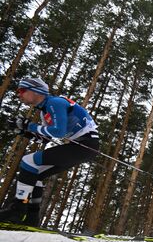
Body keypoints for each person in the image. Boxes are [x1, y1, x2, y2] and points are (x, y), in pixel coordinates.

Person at [0, 77, 100, 226]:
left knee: (28, 161)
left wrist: (29, 126)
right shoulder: (44, 111)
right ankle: (32, 217)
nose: (19, 95)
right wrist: (24, 132)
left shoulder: (54, 102)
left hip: (85, 145)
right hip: (82, 146)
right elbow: (45, 138)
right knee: (35, 174)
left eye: (22, 90)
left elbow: (58, 132)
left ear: (35, 91)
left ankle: (18, 209)